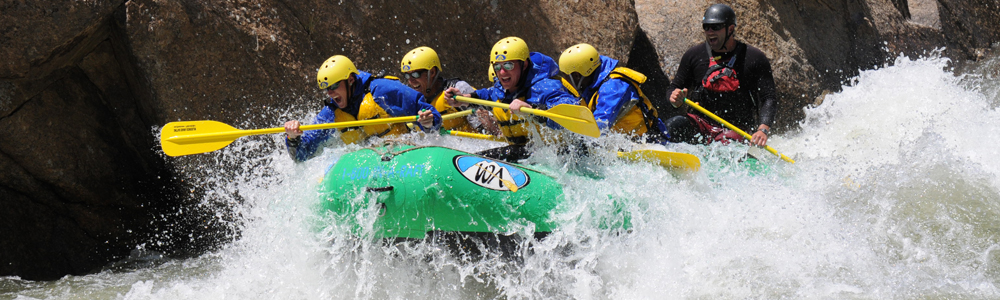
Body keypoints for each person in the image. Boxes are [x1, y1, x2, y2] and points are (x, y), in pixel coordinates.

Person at [283, 55, 442, 162]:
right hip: (364, 167)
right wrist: (293, 138)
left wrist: (428, 122)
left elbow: (432, 117)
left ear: (350, 80)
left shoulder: (382, 90)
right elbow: (302, 155)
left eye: (334, 86)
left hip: (401, 154)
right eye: (327, 89)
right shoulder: (331, 112)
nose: (330, 93)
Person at [444, 37, 579, 161]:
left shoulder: (544, 86)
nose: (502, 72)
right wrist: (465, 99)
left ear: (524, 65)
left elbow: (570, 109)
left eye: (508, 65)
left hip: (558, 154)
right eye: (497, 66)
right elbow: (488, 94)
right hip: (526, 153)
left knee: (478, 160)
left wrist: (532, 110)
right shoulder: (502, 88)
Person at [664, 3, 778, 147]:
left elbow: (769, 98)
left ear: (730, 29)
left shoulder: (754, 58)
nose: (710, 31)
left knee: (725, 146)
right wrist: (674, 98)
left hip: (735, 129)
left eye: (716, 27)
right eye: (706, 27)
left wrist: (763, 129)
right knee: (673, 125)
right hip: (701, 124)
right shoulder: (694, 55)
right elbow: (673, 88)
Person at [558, 43, 668, 143]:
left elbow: (598, 127)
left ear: (577, 76)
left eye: (566, 76)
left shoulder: (613, 88)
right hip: (627, 143)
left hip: (651, 142)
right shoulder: (590, 86)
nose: (565, 81)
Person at [399, 46, 483, 132]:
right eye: (407, 76)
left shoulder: (457, 89)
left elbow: (487, 129)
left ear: (432, 72)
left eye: (415, 75)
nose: (411, 81)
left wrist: (481, 115)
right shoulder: (409, 100)